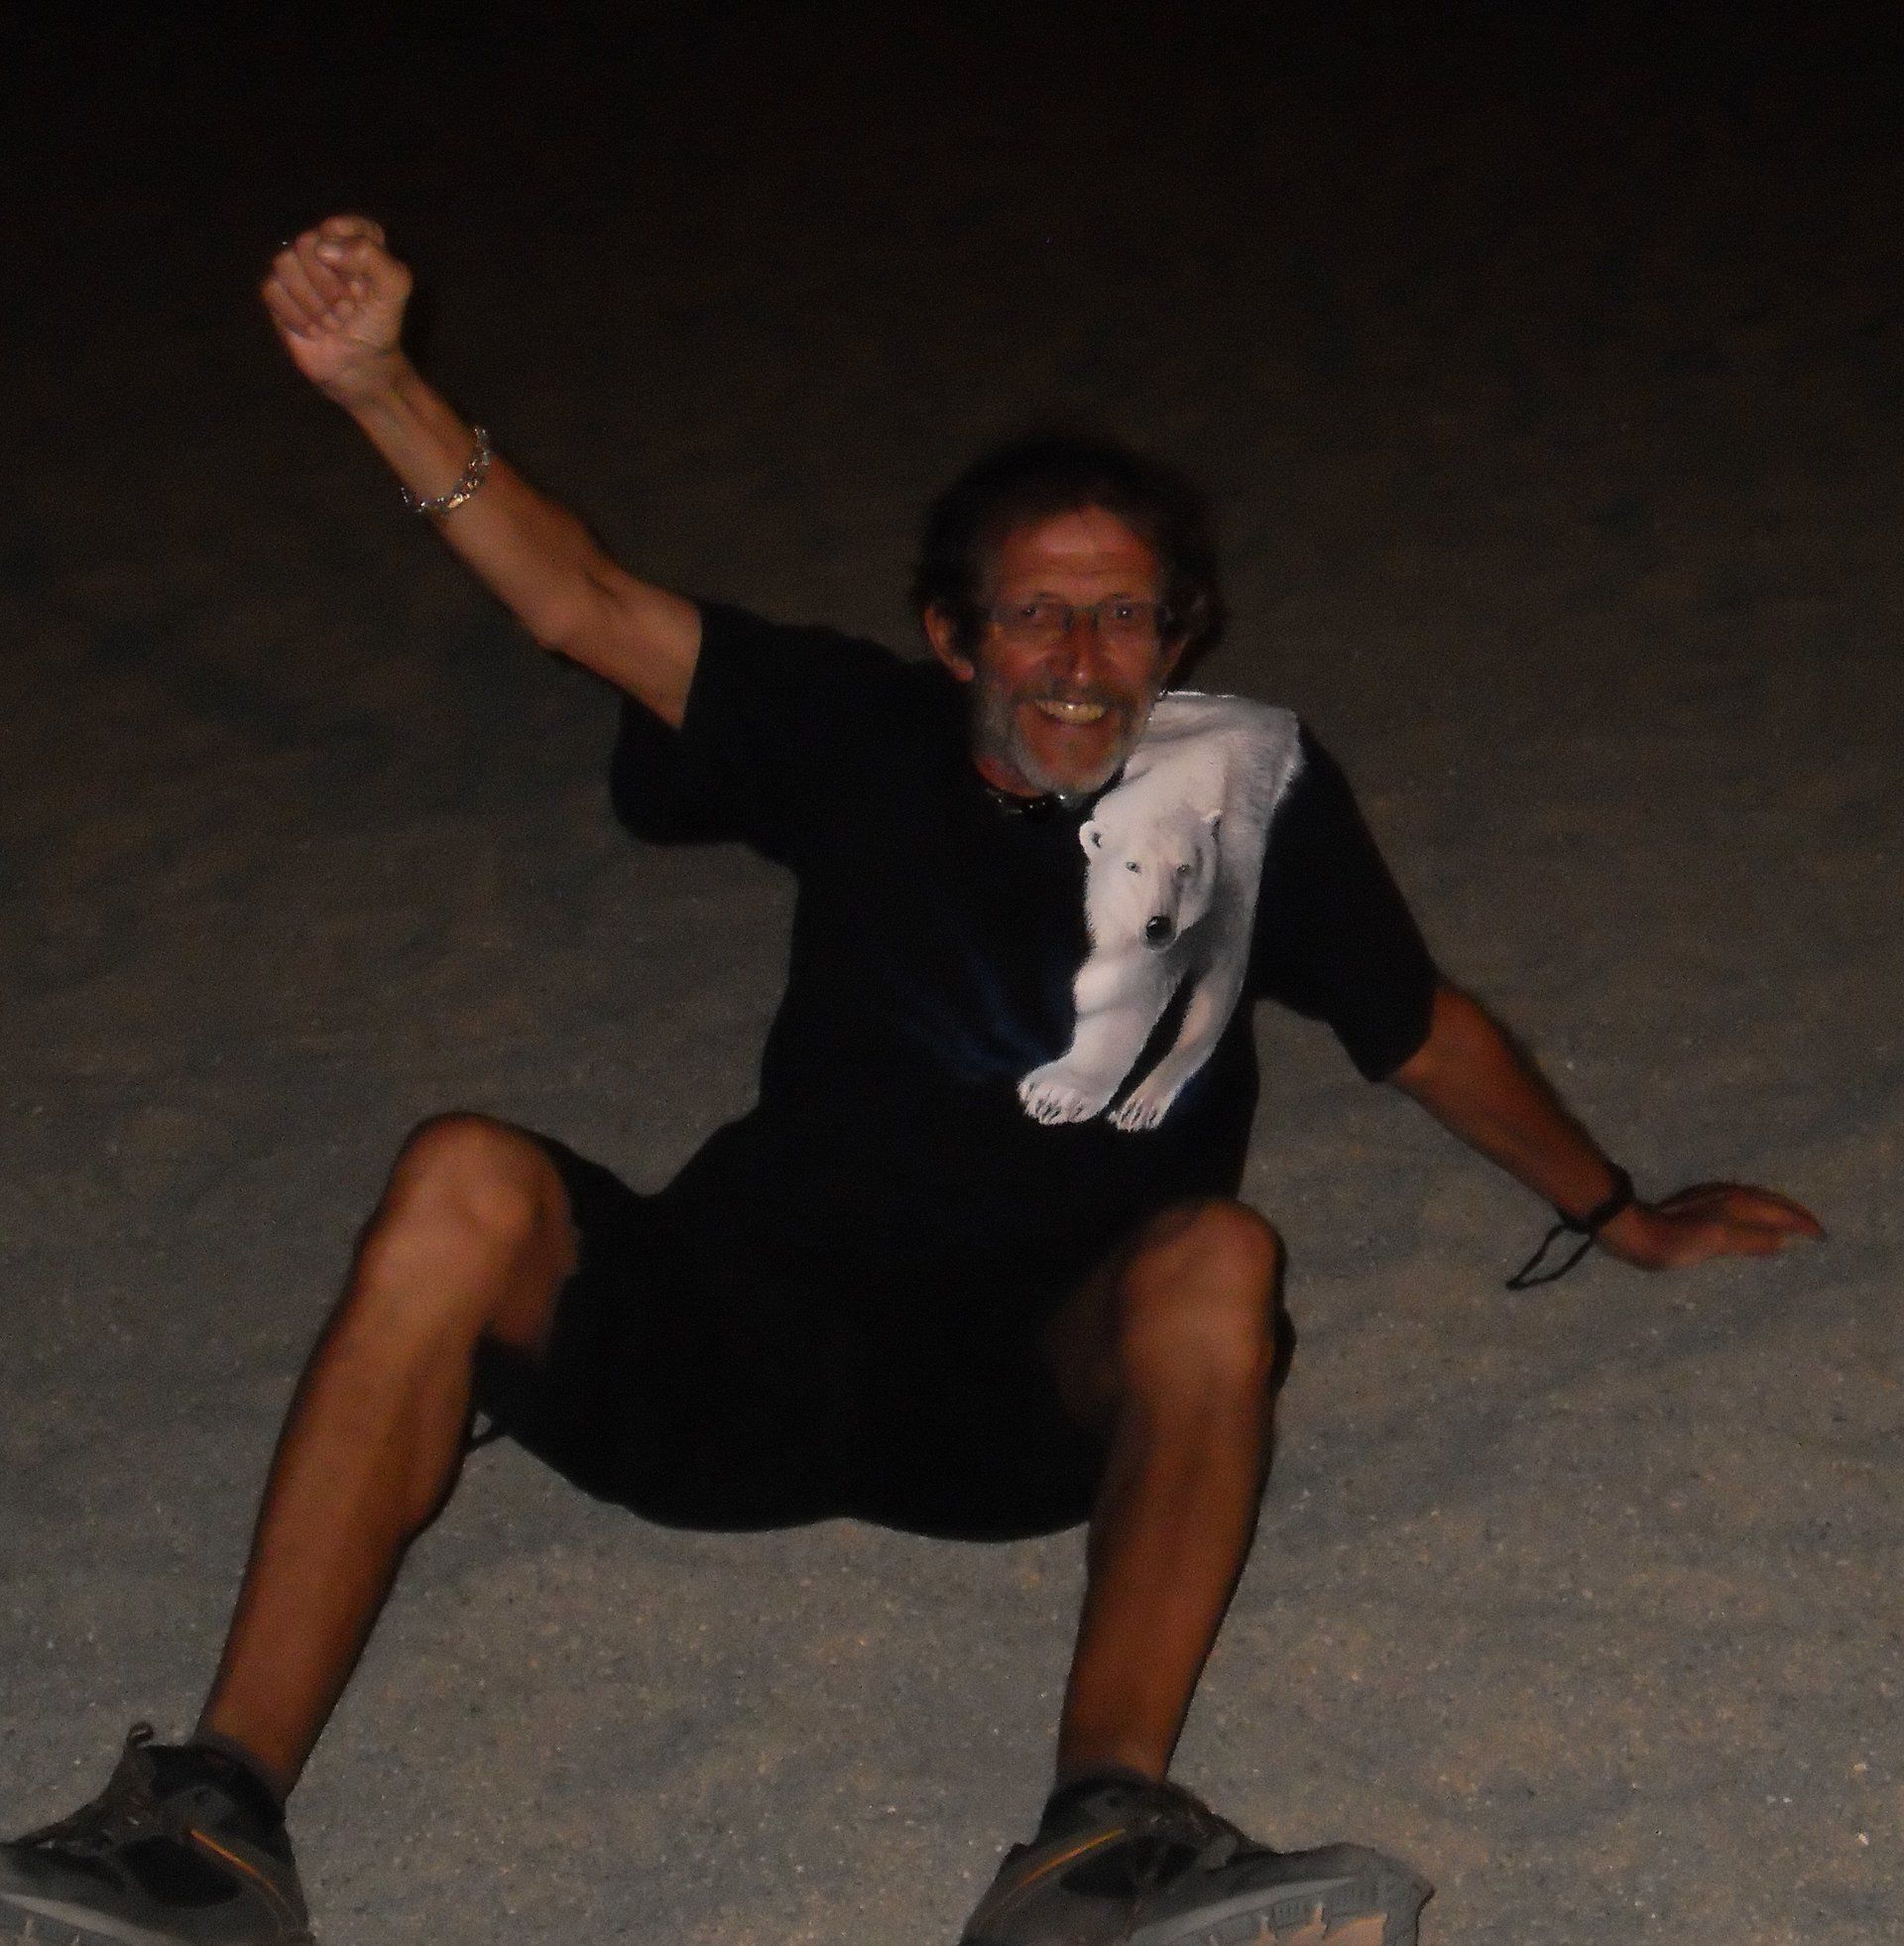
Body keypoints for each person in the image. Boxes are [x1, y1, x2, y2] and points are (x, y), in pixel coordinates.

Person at [0, 215, 1822, 1946]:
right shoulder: (854, 726)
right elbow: (577, 600)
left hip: (1024, 1402)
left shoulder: (1249, 790)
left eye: (1125, 616)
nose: (1081, 662)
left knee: (1222, 1257)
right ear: (955, 637)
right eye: (1034, 615)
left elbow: (1420, 1029)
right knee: (459, 1171)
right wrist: (378, 384)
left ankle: (1104, 1835)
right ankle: (210, 1822)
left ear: (1182, 634)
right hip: (729, 1353)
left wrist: (1621, 1213)